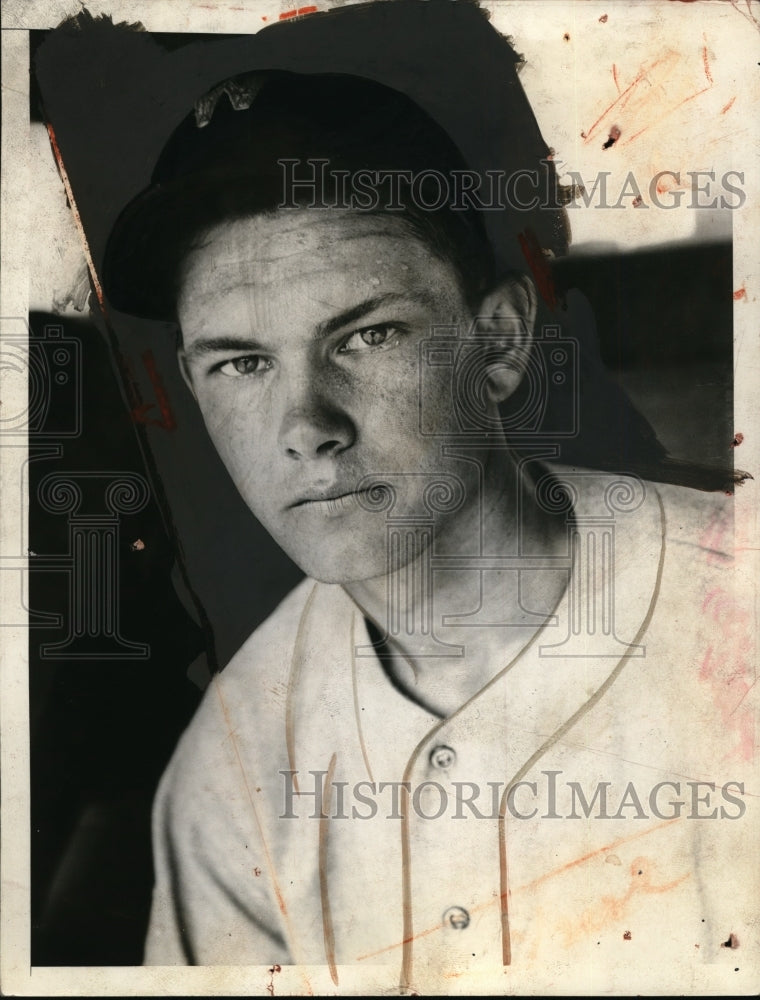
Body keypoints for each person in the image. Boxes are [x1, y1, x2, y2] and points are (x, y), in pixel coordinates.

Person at [100, 2, 754, 993]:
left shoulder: (735, 615)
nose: (305, 423)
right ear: (193, 386)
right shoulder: (228, 774)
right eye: (240, 362)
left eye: (367, 335)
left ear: (496, 342)